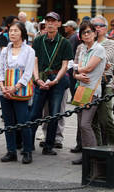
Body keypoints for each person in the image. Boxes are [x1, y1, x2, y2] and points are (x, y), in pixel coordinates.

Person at [30, 12, 73, 155]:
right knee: (35, 113)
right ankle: (29, 144)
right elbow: (34, 62)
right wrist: (37, 79)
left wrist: (56, 80)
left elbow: (65, 65)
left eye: (53, 21)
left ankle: (49, 145)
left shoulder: (64, 42)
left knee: (54, 114)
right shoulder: (38, 40)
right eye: (47, 21)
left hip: (57, 81)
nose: (50, 24)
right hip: (40, 79)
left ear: (59, 24)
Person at [0, 22, 35, 164]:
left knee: (23, 121)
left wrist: (15, 87)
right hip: (5, 89)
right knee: (8, 122)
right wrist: (2, 85)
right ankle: (11, 151)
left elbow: (28, 72)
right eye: (10, 31)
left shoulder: (29, 51)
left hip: (20, 90)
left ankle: (27, 151)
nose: (12, 33)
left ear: (22, 33)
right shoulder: (5, 51)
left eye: (16, 31)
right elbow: (0, 69)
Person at [72, 21, 106, 165]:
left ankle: (93, 155)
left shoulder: (99, 49)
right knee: (81, 124)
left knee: (86, 124)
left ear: (94, 33)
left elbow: (88, 68)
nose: (86, 35)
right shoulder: (83, 49)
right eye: (84, 33)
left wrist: (77, 70)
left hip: (92, 91)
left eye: (89, 32)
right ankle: (86, 154)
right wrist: (77, 75)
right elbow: (78, 70)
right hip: (81, 89)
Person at [91, 15, 114, 145]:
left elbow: (106, 59)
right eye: (95, 25)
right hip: (90, 83)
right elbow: (79, 62)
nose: (97, 28)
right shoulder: (88, 43)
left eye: (100, 25)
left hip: (105, 82)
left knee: (106, 118)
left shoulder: (110, 43)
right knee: (92, 120)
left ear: (106, 28)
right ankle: (98, 148)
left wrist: (92, 62)